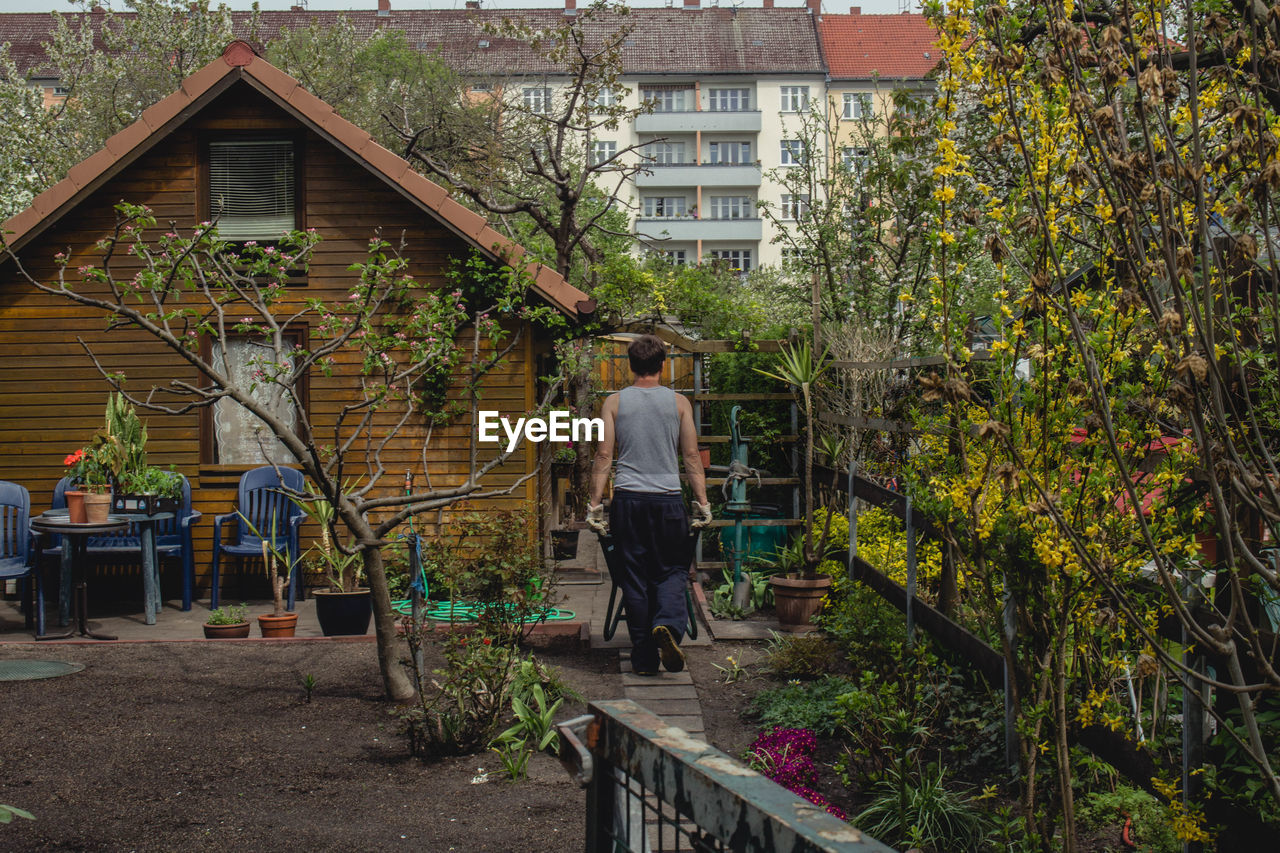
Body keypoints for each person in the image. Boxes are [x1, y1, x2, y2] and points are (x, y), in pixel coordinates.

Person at [587, 334, 712, 675]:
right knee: (672, 569)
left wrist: (595, 504)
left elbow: (604, 456)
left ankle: (644, 660)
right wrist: (702, 502)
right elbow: (690, 456)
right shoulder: (679, 404)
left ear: (631, 366)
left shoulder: (613, 403)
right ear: (662, 365)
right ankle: (669, 627)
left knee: (634, 577)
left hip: (628, 500)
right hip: (668, 500)